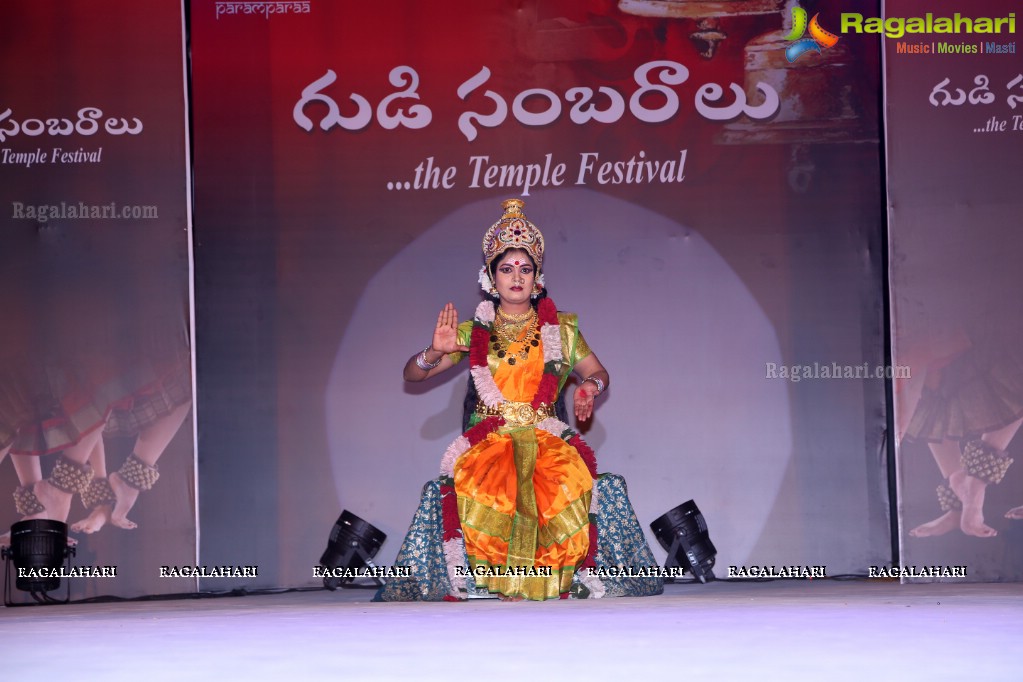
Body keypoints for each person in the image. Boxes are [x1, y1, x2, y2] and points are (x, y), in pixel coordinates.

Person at [378, 198, 663, 601]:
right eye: (507, 269)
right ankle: (494, 580)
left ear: (538, 278)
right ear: (490, 278)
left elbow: (598, 372)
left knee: (564, 482)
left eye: (525, 270)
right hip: (490, 442)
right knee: (494, 485)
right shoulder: (472, 329)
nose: (516, 278)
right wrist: (433, 351)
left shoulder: (562, 330)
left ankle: (556, 578)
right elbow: (412, 374)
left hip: (547, 437)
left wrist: (589, 388)